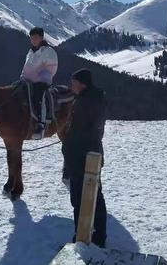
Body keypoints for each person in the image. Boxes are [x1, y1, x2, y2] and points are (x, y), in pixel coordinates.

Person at [62, 68, 107, 248]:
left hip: (81, 157)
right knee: (95, 195)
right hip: (92, 155)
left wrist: (68, 146)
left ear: (82, 84)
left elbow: (78, 132)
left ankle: (83, 235)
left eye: (74, 83)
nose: (71, 86)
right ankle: (97, 235)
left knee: (80, 198)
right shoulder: (95, 99)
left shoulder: (84, 102)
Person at [20, 26, 58, 138]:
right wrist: (22, 77)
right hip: (26, 80)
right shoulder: (31, 52)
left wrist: (41, 79)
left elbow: (51, 67)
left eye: (35, 37)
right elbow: (26, 67)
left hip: (41, 81)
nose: (33, 40)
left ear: (41, 37)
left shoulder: (48, 51)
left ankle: (40, 125)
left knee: (39, 97)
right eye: (31, 37)